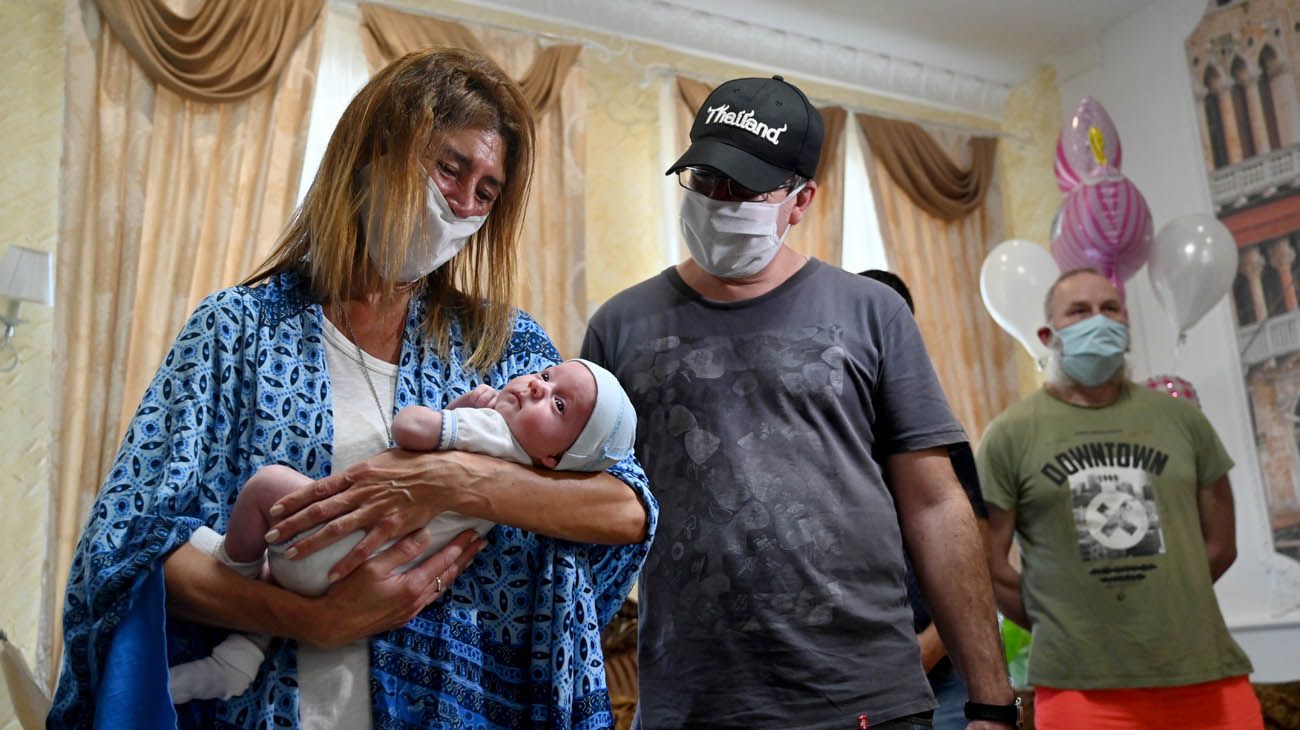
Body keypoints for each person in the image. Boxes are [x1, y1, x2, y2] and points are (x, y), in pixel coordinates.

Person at [51, 47, 656, 730]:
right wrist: (313, 617)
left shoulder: (504, 348)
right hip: (270, 708)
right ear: (375, 153)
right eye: (448, 167)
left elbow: (625, 507)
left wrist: (451, 482)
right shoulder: (238, 333)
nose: (462, 202)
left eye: (486, 190)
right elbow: (128, 553)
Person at [582, 75, 1018, 729]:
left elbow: (935, 503)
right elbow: (585, 506)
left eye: (745, 188)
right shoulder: (619, 326)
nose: (720, 200)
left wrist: (990, 699)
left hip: (864, 701)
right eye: (705, 180)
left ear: (801, 199)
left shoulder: (872, 313)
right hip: (692, 705)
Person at [169, 358, 637, 703]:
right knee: (284, 568)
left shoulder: (495, 433)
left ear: (555, 459)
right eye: (548, 374)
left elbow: (411, 429)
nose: (537, 385)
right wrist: (462, 412)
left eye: (557, 404)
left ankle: (234, 568)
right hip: (366, 576)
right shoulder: (529, 471)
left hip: (334, 548)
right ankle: (239, 658)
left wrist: (462, 412)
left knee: (266, 486)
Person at [976, 268, 1263, 730]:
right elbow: (985, 563)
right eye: (1080, 311)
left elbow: (1222, 544)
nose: (1099, 321)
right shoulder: (1009, 435)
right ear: (1048, 335)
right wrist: (1060, 621)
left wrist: (1166, 598)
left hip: (1205, 676)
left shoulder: (1182, 421)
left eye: (1110, 309)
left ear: (1126, 327)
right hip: (1079, 689)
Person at [859, 269, 992, 730]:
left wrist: (933, 644)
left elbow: (977, 546)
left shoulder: (939, 431)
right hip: (854, 673)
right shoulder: (819, 433)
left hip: (947, 666)